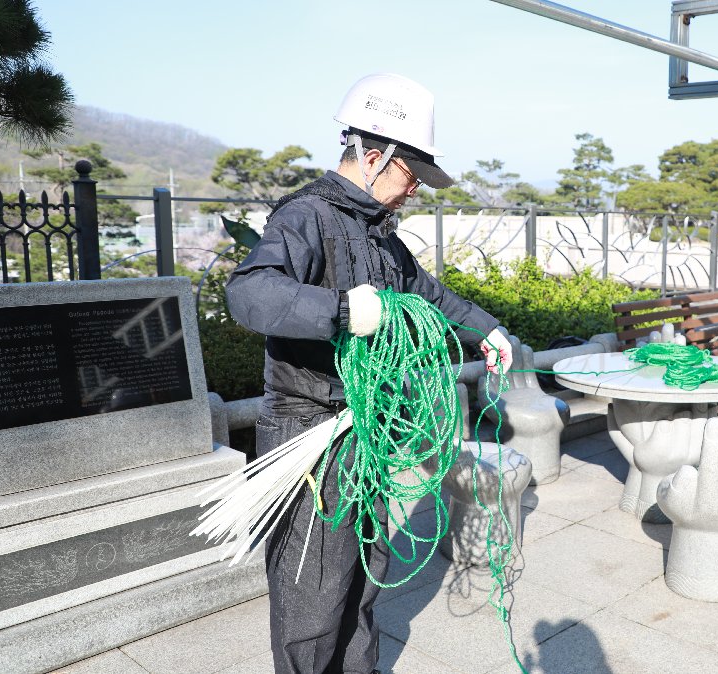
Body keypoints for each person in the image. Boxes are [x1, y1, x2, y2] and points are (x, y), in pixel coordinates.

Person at [225, 73, 512, 674]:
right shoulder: (306, 218)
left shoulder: (381, 238)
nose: (414, 192)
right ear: (377, 157)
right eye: (412, 177)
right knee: (313, 591)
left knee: (364, 574)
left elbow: (430, 297)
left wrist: (488, 330)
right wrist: (342, 311)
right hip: (308, 432)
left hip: (366, 429)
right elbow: (250, 294)